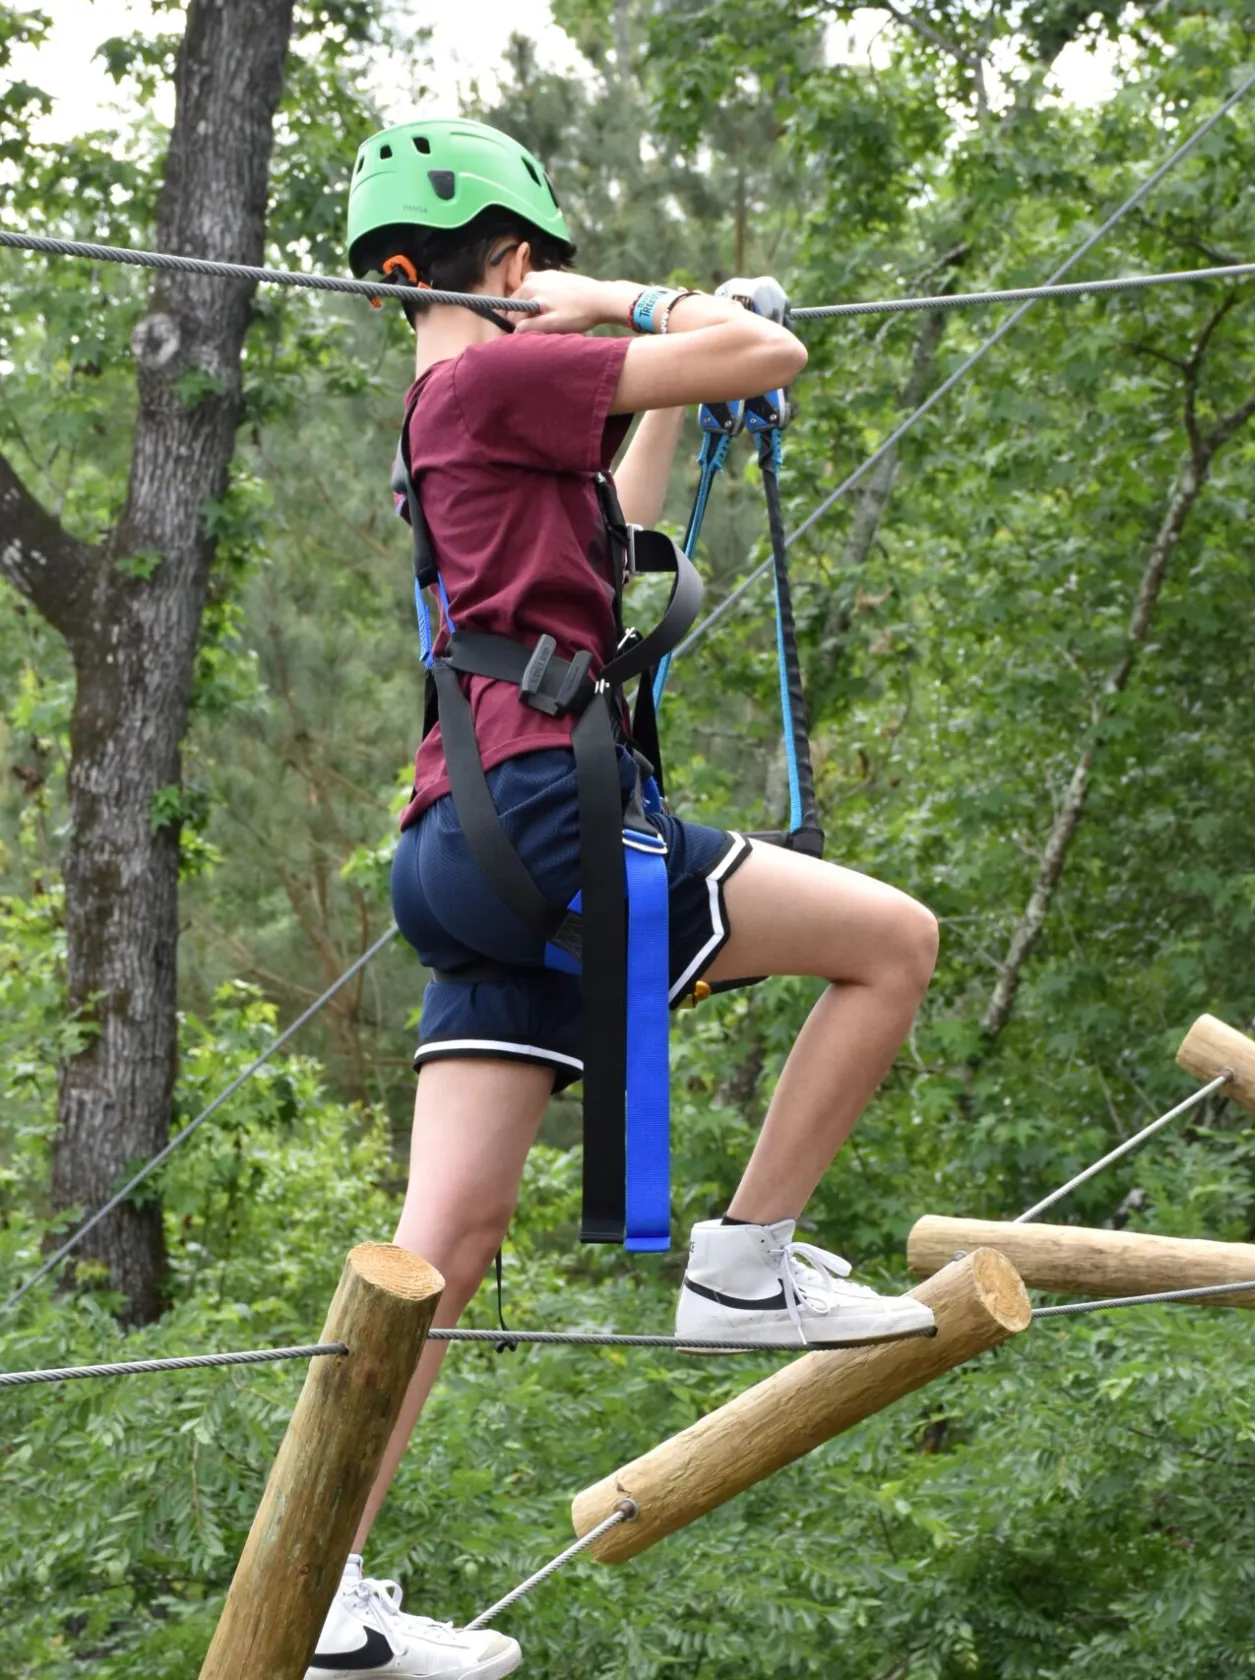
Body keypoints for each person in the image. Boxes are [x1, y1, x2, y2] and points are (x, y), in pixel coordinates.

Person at [304, 118, 941, 1680]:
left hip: (460, 852)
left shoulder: (450, 413)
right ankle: (744, 1265)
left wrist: (664, 331)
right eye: (545, 268)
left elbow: (627, 510)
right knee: (892, 944)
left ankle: (326, 1596)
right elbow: (761, 349)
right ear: (514, 262)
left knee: (441, 1245)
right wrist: (648, 303)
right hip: (552, 816)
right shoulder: (499, 369)